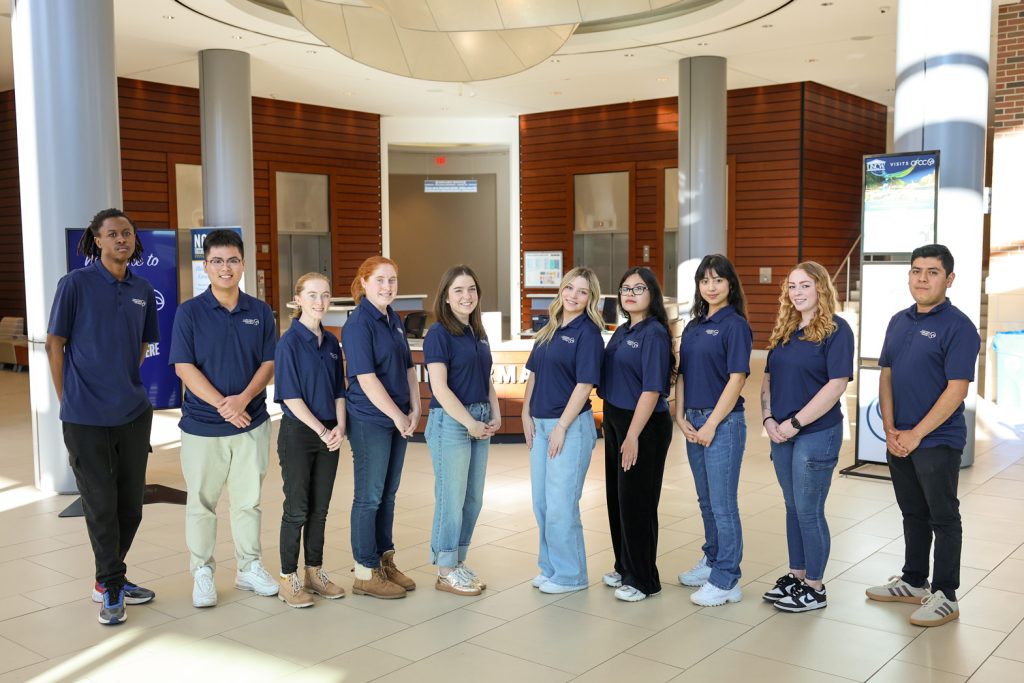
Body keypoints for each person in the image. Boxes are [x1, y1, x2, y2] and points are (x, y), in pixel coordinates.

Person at [46, 208, 159, 625]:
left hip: (132, 411)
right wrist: (67, 398)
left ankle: (107, 576)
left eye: (127, 233)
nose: (121, 240)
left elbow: (142, 346)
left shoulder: (142, 289)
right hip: (84, 415)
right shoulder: (75, 283)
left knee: (130, 506)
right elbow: (54, 343)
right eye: (112, 234)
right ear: (97, 240)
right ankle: (111, 583)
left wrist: (125, 382)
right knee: (99, 504)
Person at [866, 244, 979, 627]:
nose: (922, 278)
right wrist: (890, 428)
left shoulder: (959, 326)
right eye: (916, 271)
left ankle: (945, 594)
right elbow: (886, 374)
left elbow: (957, 389)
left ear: (949, 279)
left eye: (932, 272)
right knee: (911, 511)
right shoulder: (898, 320)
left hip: (937, 439)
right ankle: (914, 580)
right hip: (900, 436)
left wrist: (916, 433)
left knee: (942, 516)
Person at [170, 229, 278, 608]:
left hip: (253, 423)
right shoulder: (190, 312)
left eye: (232, 260)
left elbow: (269, 362)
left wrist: (244, 400)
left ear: (243, 264)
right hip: (202, 427)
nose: (225, 267)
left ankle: (249, 567)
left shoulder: (260, 311)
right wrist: (223, 405)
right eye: (217, 261)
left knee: (248, 502)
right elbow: (184, 367)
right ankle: (202, 572)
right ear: (206, 266)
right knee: (202, 503)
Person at [760, 261, 853, 613]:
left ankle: (815, 586)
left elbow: (836, 386)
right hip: (780, 432)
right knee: (791, 506)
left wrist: (794, 424)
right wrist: (768, 418)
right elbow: (768, 377)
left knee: (809, 510)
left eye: (805, 286)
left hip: (815, 432)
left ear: (821, 289)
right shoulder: (785, 331)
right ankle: (796, 576)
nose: (797, 292)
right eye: (792, 286)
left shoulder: (836, 330)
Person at [674, 254, 752, 607]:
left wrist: (711, 424)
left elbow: (737, 379)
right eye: (705, 280)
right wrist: (680, 415)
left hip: (723, 424)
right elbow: (684, 375)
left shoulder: (735, 325)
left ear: (730, 285)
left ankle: (727, 579)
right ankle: (712, 559)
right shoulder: (692, 327)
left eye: (718, 280)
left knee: (723, 504)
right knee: (706, 501)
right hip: (693, 420)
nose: (711, 286)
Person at [523, 267, 604, 594]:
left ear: (591, 298)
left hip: (568, 428)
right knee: (542, 502)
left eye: (582, 291)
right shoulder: (551, 327)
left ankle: (571, 575)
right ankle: (551, 567)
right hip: (540, 426)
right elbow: (533, 374)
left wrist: (562, 427)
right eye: (569, 288)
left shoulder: (588, 334)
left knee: (560, 503)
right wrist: (527, 414)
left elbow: (584, 385)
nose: (573, 295)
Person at [344, 256, 419, 599]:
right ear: (363, 282)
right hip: (371, 420)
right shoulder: (359, 323)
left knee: (388, 495)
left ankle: (384, 560)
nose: (388, 286)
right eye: (380, 280)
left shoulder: (395, 319)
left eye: (392, 280)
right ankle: (365, 571)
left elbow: (408, 368)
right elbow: (366, 379)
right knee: (369, 497)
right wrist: (397, 416)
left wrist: (416, 408)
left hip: (398, 419)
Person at [424, 265, 501, 596]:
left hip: (479, 417)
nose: (466, 296)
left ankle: (457, 561)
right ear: (445, 296)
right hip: (451, 423)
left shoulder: (478, 333)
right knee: (451, 499)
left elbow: (487, 380)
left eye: (471, 289)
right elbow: (439, 388)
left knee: (473, 499)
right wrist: (468, 422)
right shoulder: (439, 334)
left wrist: (495, 413)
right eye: (458, 290)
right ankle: (444, 569)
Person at [599, 267, 675, 602]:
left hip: (642, 426)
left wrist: (632, 436)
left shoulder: (654, 333)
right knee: (618, 499)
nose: (630, 293)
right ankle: (624, 565)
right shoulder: (623, 329)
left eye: (638, 288)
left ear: (652, 294)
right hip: (617, 420)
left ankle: (643, 578)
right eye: (625, 288)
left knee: (638, 503)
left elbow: (651, 389)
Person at [273, 273, 347, 608]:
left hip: (330, 433)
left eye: (325, 295)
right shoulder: (288, 343)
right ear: (297, 300)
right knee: (298, 509)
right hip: (300, 435)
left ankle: (313, 573)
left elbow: (338, 391)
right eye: (313, 295)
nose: (320, 302)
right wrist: (322, 431)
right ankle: (288, 578)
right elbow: (290, 398)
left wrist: (340, 429)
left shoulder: (331, 342)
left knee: (320, 509)